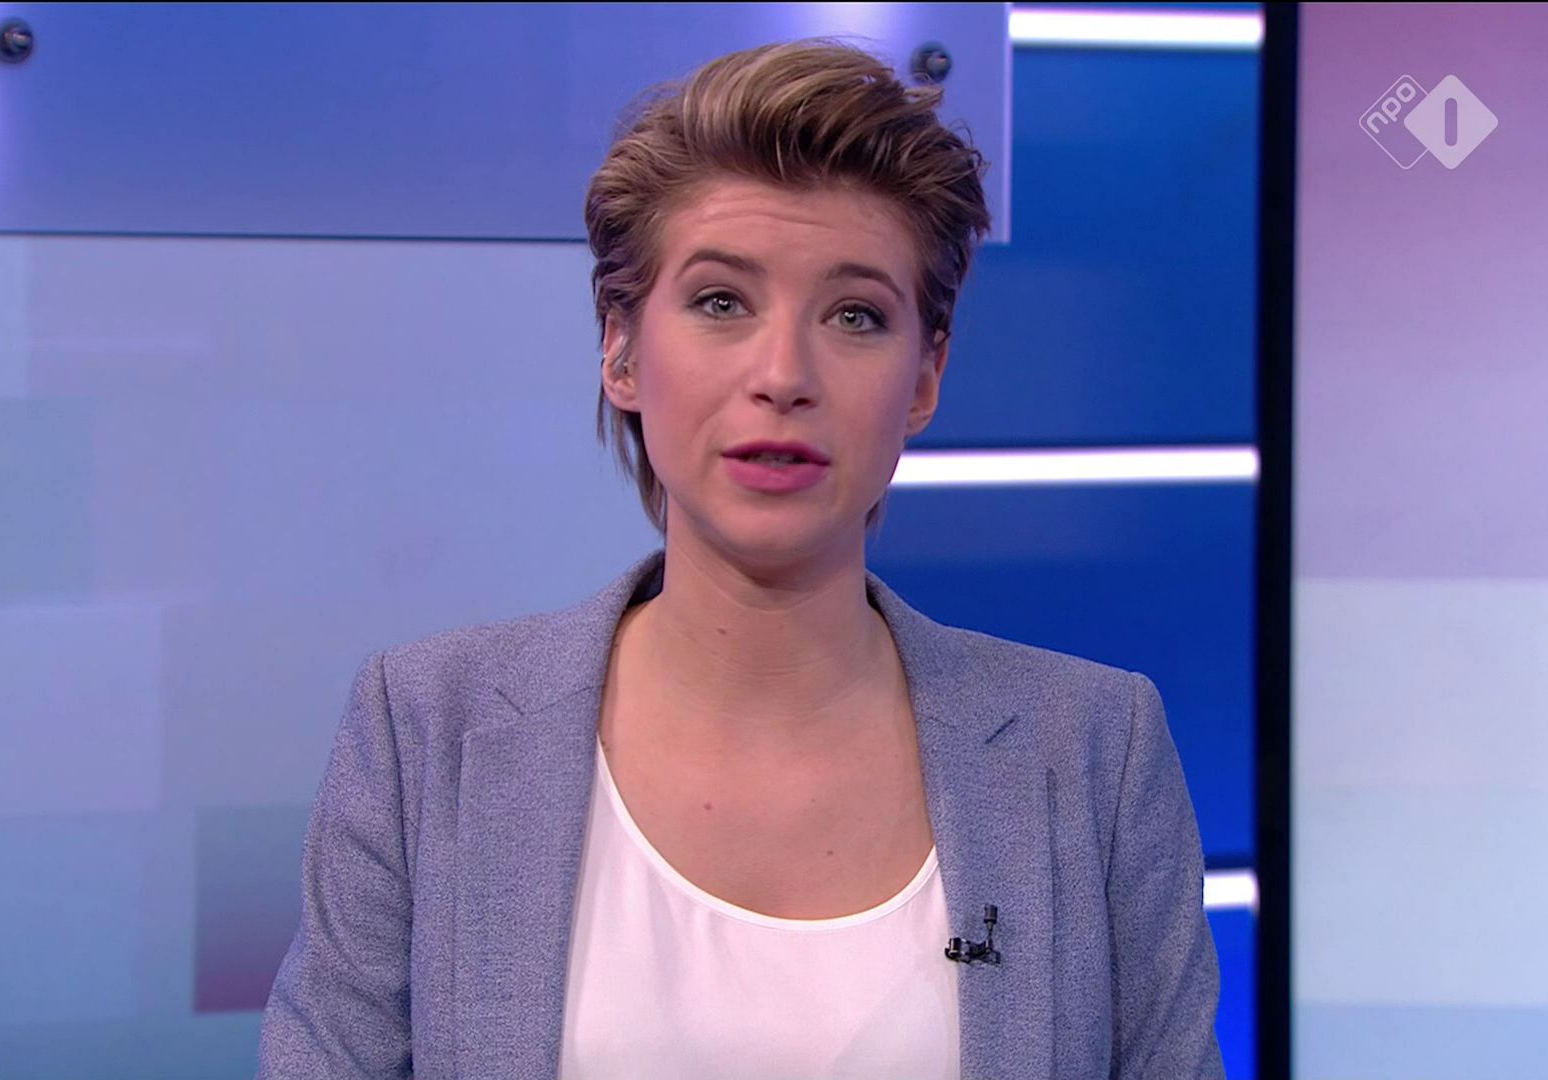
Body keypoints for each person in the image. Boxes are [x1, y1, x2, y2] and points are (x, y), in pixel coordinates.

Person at [256, 37, 1224, 1080]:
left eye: (855, 316)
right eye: (722, 301)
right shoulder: (425, 732)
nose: (783, 374)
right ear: (621, 348)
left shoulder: (1092, 752)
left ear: (926, 377)